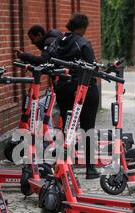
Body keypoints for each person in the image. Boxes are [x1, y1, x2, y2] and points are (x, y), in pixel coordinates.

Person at [50, 13, 101, 179]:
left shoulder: (59, 41)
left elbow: (50, 62)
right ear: (82, 27)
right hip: (82, 90)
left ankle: (65, 164)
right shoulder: (83, 43)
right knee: (88, 128)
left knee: (67, 127)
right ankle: (90, 168)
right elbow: (91, 69)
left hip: (63, 89)